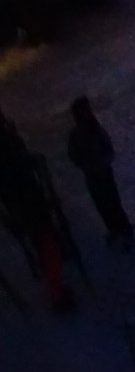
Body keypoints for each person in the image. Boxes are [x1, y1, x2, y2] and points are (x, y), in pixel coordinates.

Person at [0, 112, 76, 311]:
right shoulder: (7, 144)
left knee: (42, 241)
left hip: (21, 203)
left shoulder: (7, 141)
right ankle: (58, 295)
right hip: (28, 201)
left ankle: (54, 274)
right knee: (45, 241)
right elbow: (17, 164)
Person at [66, 97, 134, 250]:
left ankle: (126, 232)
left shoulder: (95, 130)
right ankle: (114, 229)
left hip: (103, 174)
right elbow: (73, 154)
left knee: (113, 204)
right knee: (102, 205)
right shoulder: (77, 134)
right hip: (93, 175)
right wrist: (84, 164)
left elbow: (109, 150)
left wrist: (99, 164)